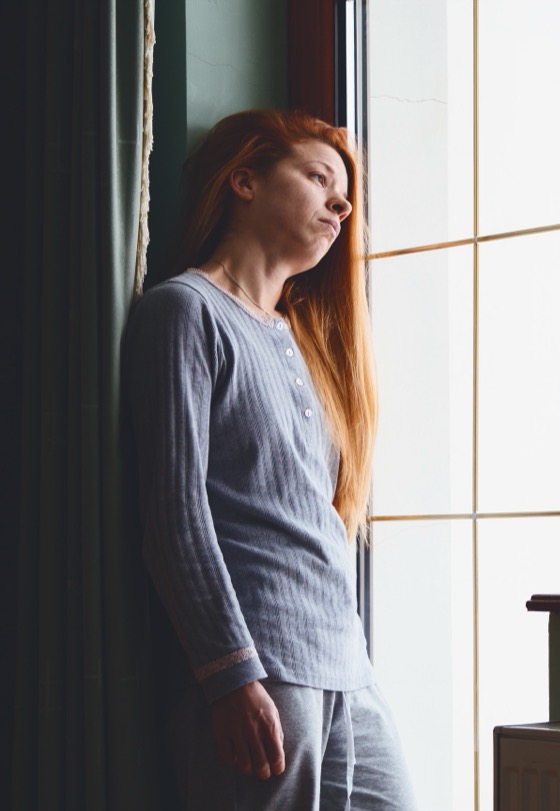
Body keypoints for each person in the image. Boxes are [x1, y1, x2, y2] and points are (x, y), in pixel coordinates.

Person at [125, 109, 415, 810]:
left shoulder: (302, 340)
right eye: (320, 178)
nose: (342, 204)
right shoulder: (183, 312)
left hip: (349, 667)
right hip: (261, 666)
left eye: (346, 195)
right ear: (245, 181)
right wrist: (230, 675)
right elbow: (175, 516)